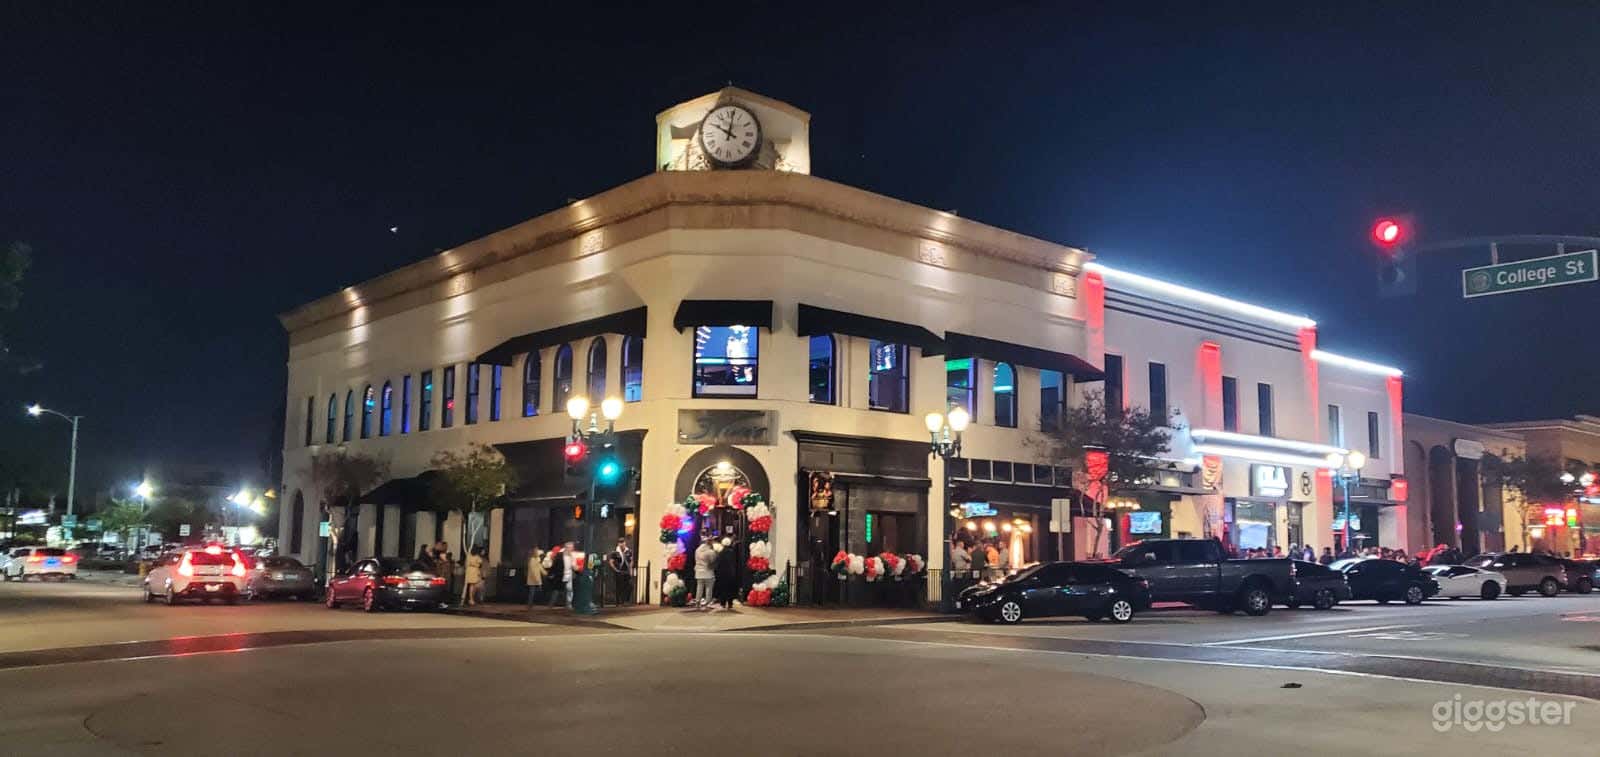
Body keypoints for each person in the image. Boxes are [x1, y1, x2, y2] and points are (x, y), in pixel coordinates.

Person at [713, 537, 738, 610]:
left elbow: (718, 564)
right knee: (730, 588)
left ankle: (723, 603)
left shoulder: (721, 553)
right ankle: (730, 603)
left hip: (722, 574)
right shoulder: (732, 552)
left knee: (723, 588)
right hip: (731, 573)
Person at [694, 537, 718, 610]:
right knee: (709, 588)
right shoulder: (710, 552)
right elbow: (713, 560)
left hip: (698, 571)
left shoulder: (697, 550)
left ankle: (697, 602)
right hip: (708, 571)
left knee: (699, 587)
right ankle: (707, 602)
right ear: (710, 543)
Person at [609, 537, 634, 605]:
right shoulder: (615, 552)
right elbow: (611, 562)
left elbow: (631, 560)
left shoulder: (629, 551)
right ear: (618, 544)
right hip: (619, 571)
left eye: (623, 542)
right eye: (620, 542)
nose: (622, 544)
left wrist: (630, 569)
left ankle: (626, 600)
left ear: (625, 543)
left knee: (630, 586)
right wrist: (616, 569)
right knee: (619, 586)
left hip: (626, 571)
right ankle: (619, 601)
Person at [561, 541, 576, 608]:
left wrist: (575, 567)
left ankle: (568, 603)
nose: (571, 549)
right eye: (570, 547)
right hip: (561, 574)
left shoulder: (572, 555)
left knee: (569, 589)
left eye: (572, 547)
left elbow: (573, 565)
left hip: (569, 574)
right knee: (559, 589)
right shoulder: (561, 554)